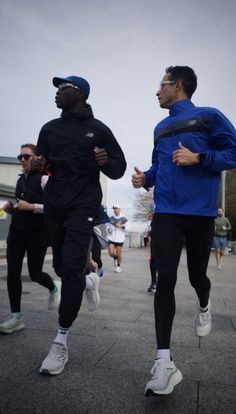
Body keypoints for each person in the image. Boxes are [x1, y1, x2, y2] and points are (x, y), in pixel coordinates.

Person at [132, 66, 236, 396]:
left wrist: (199, 157)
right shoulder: (160, 127)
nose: (156, 91)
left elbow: (232, 152)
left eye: (160, 84)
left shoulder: (209, 116)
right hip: (166, 214)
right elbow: (158, 165)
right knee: (165, 278)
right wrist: (144, 179)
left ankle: (204, 302)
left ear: (178, 85)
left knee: (196, 277)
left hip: (200, 214)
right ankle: (164, 362)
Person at [36, 75, 126, 375]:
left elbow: (118, 167)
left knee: (71, 267)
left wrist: (104, 161)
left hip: (83, 206)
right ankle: (89, 281)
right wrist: (38, 167)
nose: (58, 93)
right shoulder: (49, 129)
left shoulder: (98, 130)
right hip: (55, 206)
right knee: (62, 268)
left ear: (82, 94)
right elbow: (43, 165)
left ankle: (60, 340)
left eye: (64, 88)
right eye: (57, 89)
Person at [0, 144, 61, 335]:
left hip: (37, 234)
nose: (23, 160)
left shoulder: (44, 179)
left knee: (35, 273)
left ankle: (53, 286)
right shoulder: (20, 182)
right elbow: (21, 205)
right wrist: (12, 208)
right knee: (12, 274)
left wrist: (32, 206)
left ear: (36, 158)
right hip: (17, 232)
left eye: (27, 156)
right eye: (20, 157)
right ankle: (16, 317)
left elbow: (55, 206)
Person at [106, 205, 129, 272]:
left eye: (116, 209)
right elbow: (107, 226)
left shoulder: (124, 218)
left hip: (120, 239)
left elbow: (128, 228)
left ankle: (118, 267)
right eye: (114, 209)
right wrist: (108, 229)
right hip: (112, 238)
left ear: (119, 209)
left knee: (119, 253)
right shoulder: (110, 218)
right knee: (111, 253)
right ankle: (115, 257)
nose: (115, 210)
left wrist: (122, 226)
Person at [145, 211, 157, 293]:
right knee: (153, 263)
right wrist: (149, 254)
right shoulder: (149, 226)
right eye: (149, 214)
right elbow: (149, 240)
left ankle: (158, 282)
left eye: (151, 214)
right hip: (154, 246)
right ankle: (153, 283)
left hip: (165, 245)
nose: (150, 215)